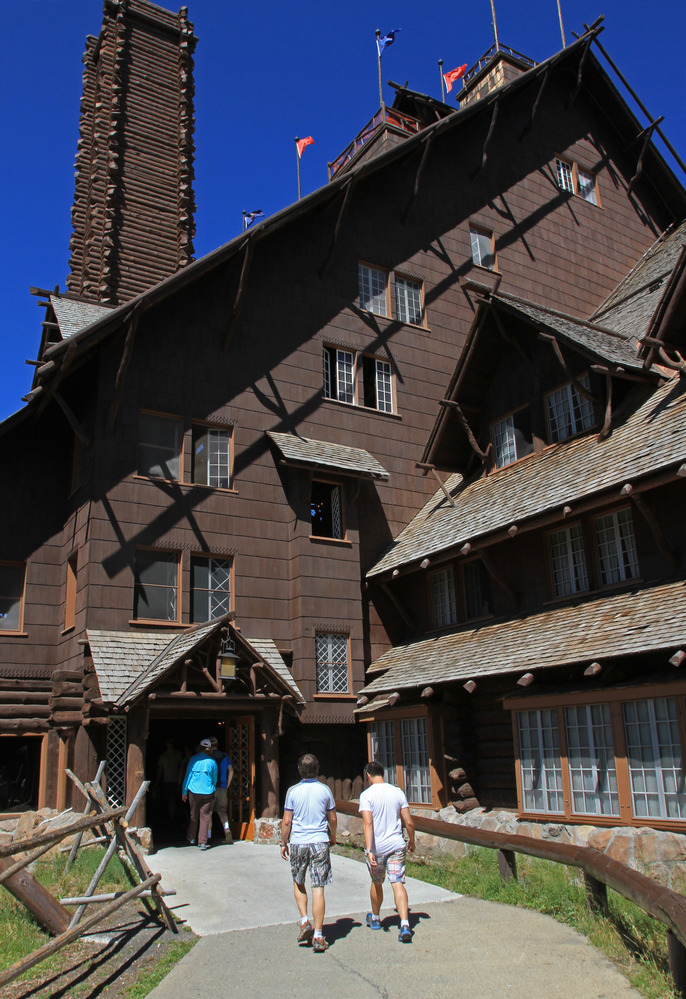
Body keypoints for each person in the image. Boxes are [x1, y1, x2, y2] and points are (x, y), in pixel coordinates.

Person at [280, 753, 336, 953]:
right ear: (317, 769)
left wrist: (283, 842)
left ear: (299, 770)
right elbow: (333, 817)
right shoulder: (325, 790)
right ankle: (319, 935)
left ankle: (304, 921)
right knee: (318, 887)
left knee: (299, 880)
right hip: (319, 840)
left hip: (299, 842)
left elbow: (287, 821)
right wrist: (333, 836)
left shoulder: (292, 791)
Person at [358, 760, 416, 943]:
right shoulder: (397, 792)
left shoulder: (366, 795)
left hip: (378, 847)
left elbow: (368, 823)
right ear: (382, 773)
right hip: (396, 844)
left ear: (368, 775)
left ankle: (375, 918)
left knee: (377, 882)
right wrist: (412, 840)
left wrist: (369, 850)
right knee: (397, 882)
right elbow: (409, 822)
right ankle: (405, 924)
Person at [181, 738, 218, 851]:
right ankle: (202, 842)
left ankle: (191, 837)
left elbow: (188, 776)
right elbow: (214, 778)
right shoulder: (212, 762)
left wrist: (184, 791)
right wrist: (213, 790)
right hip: (208, 792)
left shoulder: (193, 759)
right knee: (205, 817)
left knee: (193, 815)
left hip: (194, 791)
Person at [208, 736, 234, 843]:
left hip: (211, 788)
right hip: (223, 787)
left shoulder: (208, 757)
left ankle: (208, 836)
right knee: (222, 811)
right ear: (217, 745)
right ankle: (227, 830)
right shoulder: (225, 756)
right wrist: (227, 785)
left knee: (208, 812)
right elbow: (231, 770)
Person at [156, 738, 183, 824]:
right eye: (169, 742)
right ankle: (169, 818)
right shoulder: (163, 756)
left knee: (174, 800)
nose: (170, 744)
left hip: (176, 781)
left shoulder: (178, 754)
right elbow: (160, 770)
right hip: (166, 780)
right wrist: (157, 782)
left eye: (172, 742)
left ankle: (173, 818)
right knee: (167, 800)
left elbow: (182, 768)